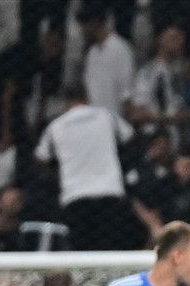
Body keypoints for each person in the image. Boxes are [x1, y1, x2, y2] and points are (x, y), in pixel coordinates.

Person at [34, 84, 138, 251]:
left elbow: (41, 157)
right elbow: (130, 136)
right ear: (87, 98)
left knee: (84, 252)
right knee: (111, 249)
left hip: (76, 196)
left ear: (66, 103)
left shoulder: (56, 126)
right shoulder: (105, 115)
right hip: (109, 191)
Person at [76, 5, 135, 119]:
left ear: (95, 23)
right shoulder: (91, 53)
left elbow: (126, 89)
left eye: (84, 26)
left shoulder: (120, 48)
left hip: (115, 117)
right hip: (93, 119)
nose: (82, 31)